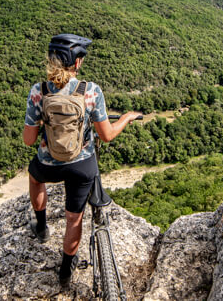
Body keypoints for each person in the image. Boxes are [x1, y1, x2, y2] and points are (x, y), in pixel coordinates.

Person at [22, 33, 140, 286]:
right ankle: (66, 270)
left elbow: (29, 140)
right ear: (76, 63)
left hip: (48, 164)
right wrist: (126, 119)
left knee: (34, 177)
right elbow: (106, 136)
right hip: (82, 165)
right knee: (74, 218)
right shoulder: (91, 90)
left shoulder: (38, 91)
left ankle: (41, 227)